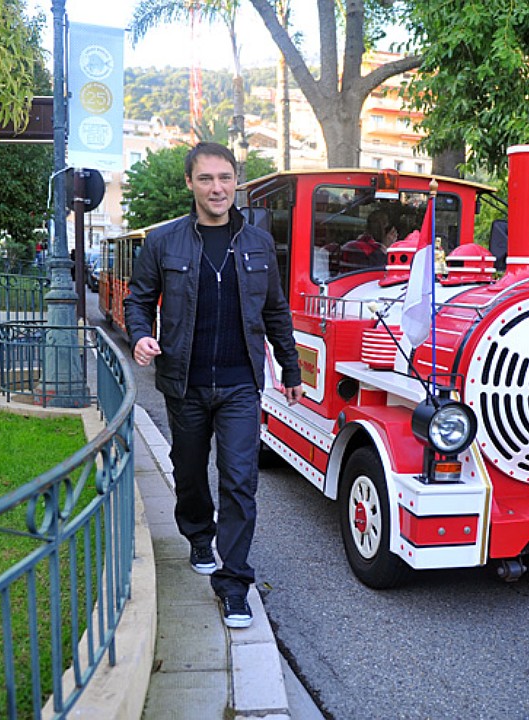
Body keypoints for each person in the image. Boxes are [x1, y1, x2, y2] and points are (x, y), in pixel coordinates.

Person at [124, 142, 303, 629]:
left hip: (241, 384)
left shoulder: (259, 244)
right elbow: (138, 300)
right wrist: (140, 335)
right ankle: (199, 535)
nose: (217, 188)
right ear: (190, 183)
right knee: (188, 473)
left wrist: (290, 370)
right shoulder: (164, 242)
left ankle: (234, 582)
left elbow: (275, 311)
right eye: (206, 178)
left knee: (240, 481)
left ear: (235, 182)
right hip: (185, 383)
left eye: (225, 178)